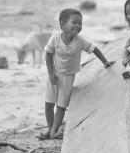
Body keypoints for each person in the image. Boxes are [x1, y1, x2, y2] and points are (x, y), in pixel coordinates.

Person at [38, 8, 115, 140]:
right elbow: (48, 55)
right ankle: (50, 130)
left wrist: (105, 62)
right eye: (74, 22)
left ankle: (54, 131)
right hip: (54, 74)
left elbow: (94, 49)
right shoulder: (55, 39)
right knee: (49, 104)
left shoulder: (80, 41)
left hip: (68, 77)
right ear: (62, 24)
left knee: (61, 106)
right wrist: (51, 73)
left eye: (80, 23)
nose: (78, 26)